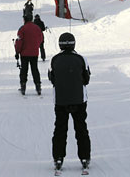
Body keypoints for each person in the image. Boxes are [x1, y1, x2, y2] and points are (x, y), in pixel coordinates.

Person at [48, 32, 91, 171]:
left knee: (60, 128)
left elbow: (52, 78)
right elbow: (86, 79)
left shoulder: (54, 60)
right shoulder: (81, 59)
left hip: (60, 100)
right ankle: (84, 156)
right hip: (79, 100)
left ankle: (58, 157)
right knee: (81, 128)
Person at [14, 15, 43, 95]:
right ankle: (38, 86)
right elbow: (41, 39)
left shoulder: (22, 29)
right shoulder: (37, 28)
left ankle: (23, 86)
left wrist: (17, 51)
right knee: (35, 69)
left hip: (24, 54)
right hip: (34, 53)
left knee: (24, 70)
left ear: (24, 20)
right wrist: (35, 46)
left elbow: (19, 42)